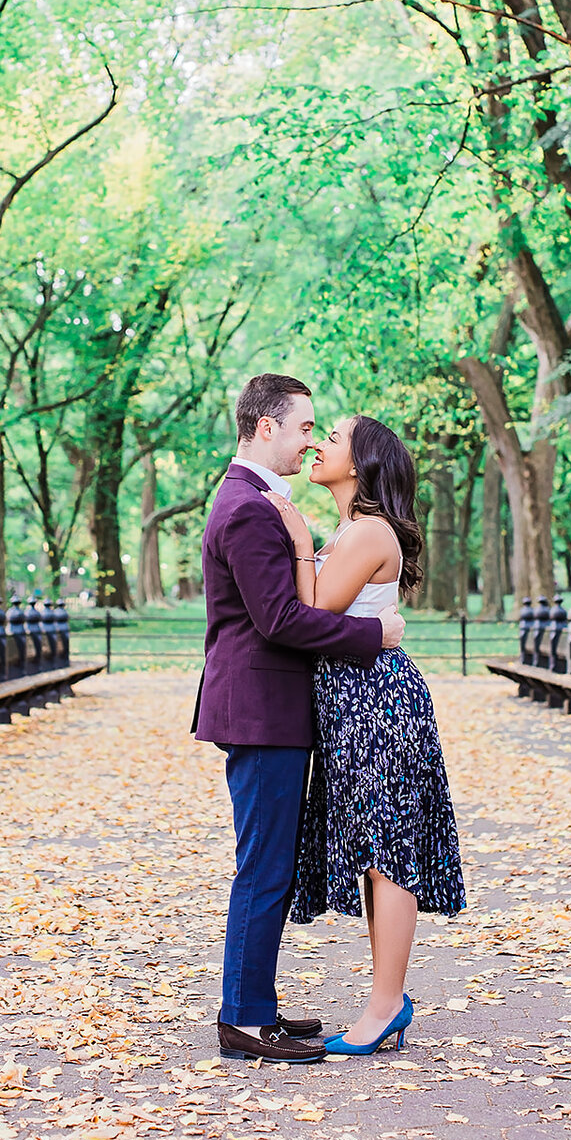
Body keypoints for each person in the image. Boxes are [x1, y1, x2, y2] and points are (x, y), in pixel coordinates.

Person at [192, 374, 406, 1065]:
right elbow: (281, 619)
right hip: (261, 712)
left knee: (271, 867)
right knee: (263, 870)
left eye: (319, 429)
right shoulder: (249, 508)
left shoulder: (257, 503)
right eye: (305, 426)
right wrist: (376, 639)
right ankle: (246, 1021)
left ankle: (257, 1007)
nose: (311, 438)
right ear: (266, 428)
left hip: (271, 710)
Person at [265, 415, 465, 1056]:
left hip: (376, 701)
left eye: (335, 438)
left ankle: (385, 1006)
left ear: (360, 464)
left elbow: (312, 611)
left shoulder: (366, 532)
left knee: (387, 858)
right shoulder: (354, 531)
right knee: (375, 857)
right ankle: (387, 1000)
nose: (319, 444)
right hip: (355, 702)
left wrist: (298, 538)